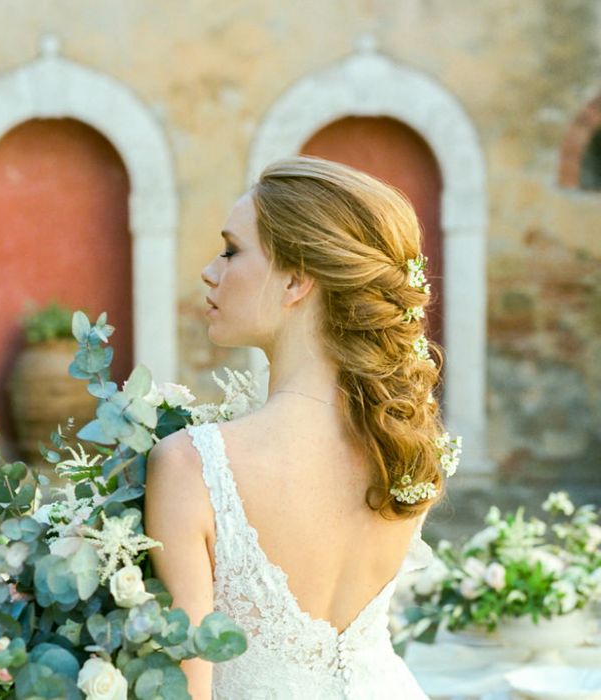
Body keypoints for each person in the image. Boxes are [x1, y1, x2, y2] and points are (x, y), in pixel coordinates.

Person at [145, 155, 449, 699]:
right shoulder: (405, 449)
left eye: (232, 250)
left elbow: (185, 690)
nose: (210, 270)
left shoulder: (192, 464)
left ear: (296, 281)